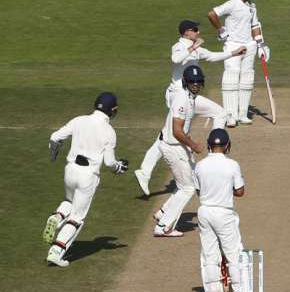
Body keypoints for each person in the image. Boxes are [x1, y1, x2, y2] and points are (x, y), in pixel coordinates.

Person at [133, 20, 246, 196]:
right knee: (210, 117)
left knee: (168, 133)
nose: (198, 32)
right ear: (187, 32)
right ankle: (214, 151)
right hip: (178, 95)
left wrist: (233, 53)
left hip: (189, 96)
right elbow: (175, 59)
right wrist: (195, 47)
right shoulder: (179, 46)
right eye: (195, 30)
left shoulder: (195, 47)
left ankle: (145, 171)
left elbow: (211, 56)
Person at [43, 92, 129, 267]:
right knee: (77, 217)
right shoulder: (109, 131)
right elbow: (109, 162)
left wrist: (53, 154)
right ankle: (56, 251)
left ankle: (57, 217)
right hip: (88, 175)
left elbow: (54, 137)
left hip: (70, 169)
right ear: (112, 110)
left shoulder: (79, 120)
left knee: (69, 200)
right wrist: (119, 167)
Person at [153, 65, 226, 237]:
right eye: (192, 81)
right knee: (188, 188)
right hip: (173, 146)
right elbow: (177, 131)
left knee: (188, 181)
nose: (195, 84)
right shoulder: (182, 100)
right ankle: (163, 226)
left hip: (178, 146)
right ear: (186, 82)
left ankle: (163, 213)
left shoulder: (191, 98)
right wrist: (193, 145)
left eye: (198, 81)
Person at [207, 0, 270, 127]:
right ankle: (230, 116)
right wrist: (221, 29)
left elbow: (255, 26)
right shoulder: (232, 4)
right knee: (231, 78)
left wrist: (261, 45)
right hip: (233, 46)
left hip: (249, 45)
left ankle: (242, 114)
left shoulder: (252, 6)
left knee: (247, 79)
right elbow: (212, 14)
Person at [194, 129, 246, 292]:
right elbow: (240, 191)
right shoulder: (232, 165)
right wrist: (225, 190)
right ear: (227, 145)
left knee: (210, 257)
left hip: (205, 212)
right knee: (233, 256)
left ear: (209, 145)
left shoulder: (199, 166)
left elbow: (199, 191)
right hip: (224, 213)